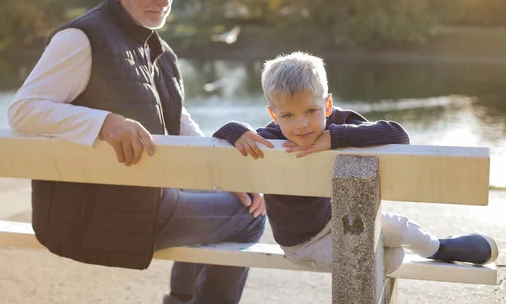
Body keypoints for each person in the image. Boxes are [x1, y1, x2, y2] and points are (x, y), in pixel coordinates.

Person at [7, 0, 265, 304]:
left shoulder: (159, 50)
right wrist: (105, 123)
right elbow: (23, 111)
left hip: (132, 205)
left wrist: (224, 172)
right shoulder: (81, 39)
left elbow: (178, 125)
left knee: (240, 200)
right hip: (97, 217)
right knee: (248, 219)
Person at [213, 51, 499, 272]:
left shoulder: (339, 123)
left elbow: (399, 134)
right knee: (388, 258)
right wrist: (237, 130)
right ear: (274, 115)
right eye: (288, 115)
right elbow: (223, 135)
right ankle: (423, 249)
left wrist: (335, 137)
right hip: (303, 246)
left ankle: (439, 248)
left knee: (397, 229)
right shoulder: (269, 138)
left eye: (311, 111)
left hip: (344, 220)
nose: (301, 125)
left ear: (327, 104)